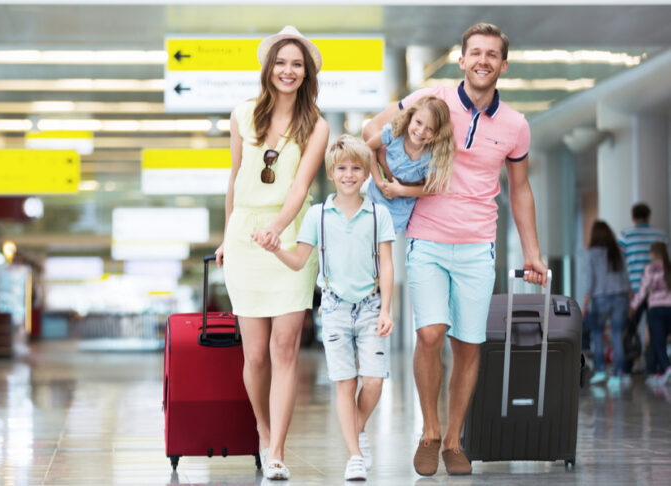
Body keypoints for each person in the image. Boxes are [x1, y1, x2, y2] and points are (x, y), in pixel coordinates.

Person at [363, 23, 547, 476]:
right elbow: (374, 129)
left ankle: (452, 440)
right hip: (426, 237)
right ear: (461, 60)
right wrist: (392, 180)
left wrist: (532, 252)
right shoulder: (434, 98)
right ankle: (429, 431)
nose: (483, 60)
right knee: (430, 333)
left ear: (503, 65)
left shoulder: (515, 126)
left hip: (477, 244)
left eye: (492, 55)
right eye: (475, 53)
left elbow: (519, 190)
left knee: (467, 344)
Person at [214, 25, 329, 481]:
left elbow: (300, 187)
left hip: (289, 239)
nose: (288, 71)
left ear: (307, 73)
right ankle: (262, 429)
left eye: (296, 64)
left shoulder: (317, 125)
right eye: (281, 63)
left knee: (285, 349)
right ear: (269, 68)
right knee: (255, 354)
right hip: (245, 237)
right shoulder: (243, 114)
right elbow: (234, 179)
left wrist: (277, 230)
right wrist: (228, 234)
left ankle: (277, 450)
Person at [256, 134, 395, 481]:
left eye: (356, 168)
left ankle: (355, 427)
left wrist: (387, 310)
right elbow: (300, 260)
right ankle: (355, 455)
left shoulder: (379, 214)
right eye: (342, 168)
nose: (349, 174)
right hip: (333, 309)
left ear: (366, 174)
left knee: (375, 382)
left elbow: (388, 265)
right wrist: (275, 250)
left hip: (370, 306)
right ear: (332, 173)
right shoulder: (317, 215)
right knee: (345, 383)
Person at [365, 95, 455, 233]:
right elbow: (369, 148)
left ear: (438, 133)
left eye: (430, 129)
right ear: (410, 117)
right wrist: (378, 181)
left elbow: (431, 189)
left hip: (401, 209)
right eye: (418, 122)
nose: (421, 131)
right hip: (375, 197)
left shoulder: (432, 156)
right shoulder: (394, 132)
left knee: (386, 242)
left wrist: (401, 190)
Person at [618, 203, 669, 375]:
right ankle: (652, 369)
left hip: (635, 290)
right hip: (659, 293)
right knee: (657, 332)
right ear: (648, 217)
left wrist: (628, 291)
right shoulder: (660, 235)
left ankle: (625, 369)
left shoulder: (626, 236)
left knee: (629, 330)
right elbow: (666, 263)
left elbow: (620, 265)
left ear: (633, 218)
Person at [582, 221, 630, 388]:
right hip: (620, 297)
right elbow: (625, 277)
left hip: (600, 297)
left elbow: (590, 280)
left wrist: (585, 302)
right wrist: (630, 300)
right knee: (617, 335)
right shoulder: (619, 251)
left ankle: (601, 371)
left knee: (597, 334)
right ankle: (617, 374)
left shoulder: (591, 253)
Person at [630, 242, 671, 387]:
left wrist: (633, 307)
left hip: (656, 310)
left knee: (658, 342)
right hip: (669, 309)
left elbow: (643, 291)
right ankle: (660, 372)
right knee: (663, 340)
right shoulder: (669, 267)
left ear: (653, 253)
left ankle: (667, 368)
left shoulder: (650, 269)